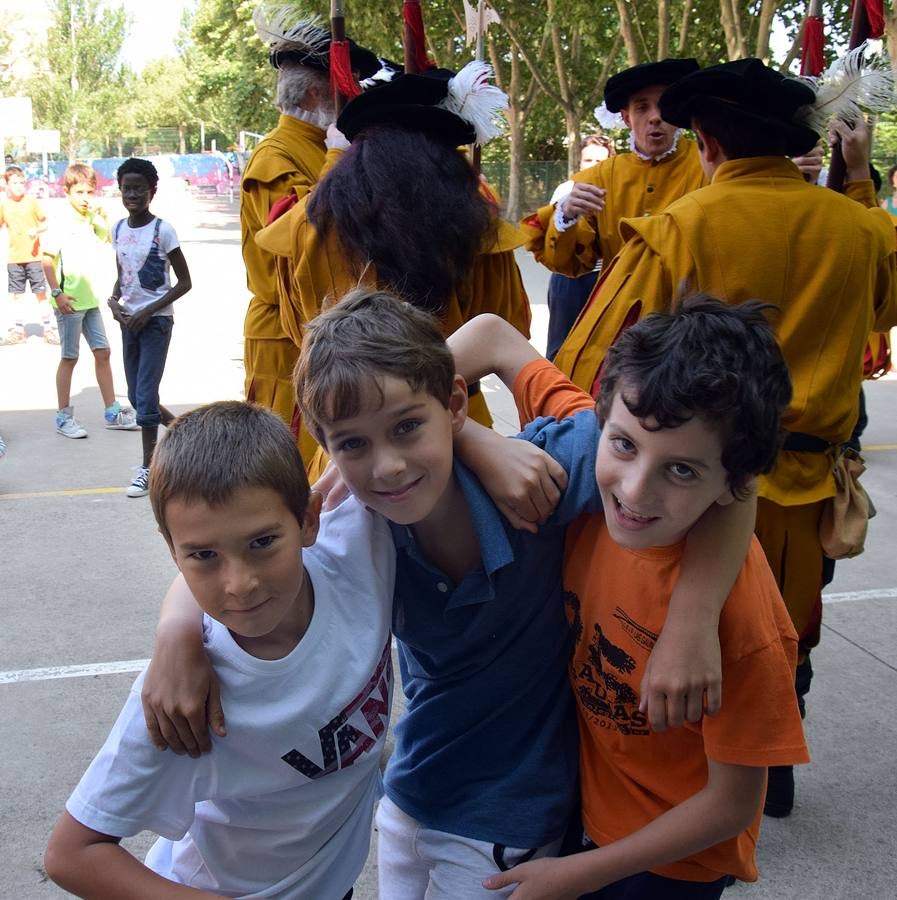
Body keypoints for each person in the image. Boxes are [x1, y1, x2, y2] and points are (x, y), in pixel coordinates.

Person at [141, 289, 753, 899]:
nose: (386, 467)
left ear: (455, 403)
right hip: (410, 792)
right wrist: (176, 634)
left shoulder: (544, 475)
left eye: (409, 427)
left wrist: (690, 622)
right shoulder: (360, 526)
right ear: (326, 446)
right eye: (352, 443)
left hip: (509, 814)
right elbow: (233, 547)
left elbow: (736, 470)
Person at [552, 58, 897, 816]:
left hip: (699, 490)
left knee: (680, 631)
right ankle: (773, 770)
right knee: (790, 629)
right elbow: (883, 312)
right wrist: (859, 181)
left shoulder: (680, 227)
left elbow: (587, 362)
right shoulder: (862, 228)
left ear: (704, 142)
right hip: (809, 485)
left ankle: (692, 781)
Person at [449, 299, 809, 899]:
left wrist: (577, 873)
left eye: (683, 472)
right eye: (623, 446)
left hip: (666, 869)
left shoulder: (742, 625)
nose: (635, 490)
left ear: (735, 484)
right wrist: (460, 433)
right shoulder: (599, 449)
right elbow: (489, 336)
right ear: (601, 419)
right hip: (579, 809)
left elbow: (731, 805)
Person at [44, 401, 395, 899]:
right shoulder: (182, 700)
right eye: (204, 556)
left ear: (310, 519)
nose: (241, 585)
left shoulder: (357, 548)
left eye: (262, 542)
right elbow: (70, 854)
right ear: (173, 554)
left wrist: (488, 446)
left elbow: (436, 371)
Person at [254, 63, 533, 478]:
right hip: (456, 423)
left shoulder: (305, 223)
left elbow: (298, 328)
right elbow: (510, 325)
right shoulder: (475, 221)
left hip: (349, 436)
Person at [241, 4, 385, 466]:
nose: (357, 97)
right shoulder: (276, 158)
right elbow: (294, 245)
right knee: (288, 468)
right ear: (324, 93)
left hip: (326, 331)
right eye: (351, 88)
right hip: (287, 337)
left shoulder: (321, 146)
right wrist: (337, 162)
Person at [522, 58, 705, 280]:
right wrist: (567, 215)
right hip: (622, 310)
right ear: (627, 118)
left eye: (665, 105)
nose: (655, 117)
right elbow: (565, 264)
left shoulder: (709, 162)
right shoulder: (598, 177)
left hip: (693, 309)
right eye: (642, 108)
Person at [108, 157, 192, 498]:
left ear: (152, 191)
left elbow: (185, 282)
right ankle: (187, 437)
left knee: (144, 400)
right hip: (129, 320)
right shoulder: (118, 229)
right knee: (138, 396)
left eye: (139, 189)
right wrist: (115, 302)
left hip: (156, 322)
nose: (132, 194)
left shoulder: (163, 230)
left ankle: (148, 468)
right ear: (119, 190)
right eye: (127, 188)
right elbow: (123, 275)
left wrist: (150, 310)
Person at [40, 163, 138, 439]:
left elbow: (107, 238)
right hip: (69, 303)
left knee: (103, 353)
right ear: (67, 191)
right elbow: (46, 260)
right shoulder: (60, 222)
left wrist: (101, 216)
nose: (86, 197)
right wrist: (57, 293)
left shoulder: (89, 218)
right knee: (70, 358)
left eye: (90, 191)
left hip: (91, 300)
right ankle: (63, 417)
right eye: (79, 191)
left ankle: (112, 411)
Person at [545, 135, 615, 360]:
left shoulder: (617, 188)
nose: (594, 166)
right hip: (568, 281)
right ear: (579, 163)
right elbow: (551, 236)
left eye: (600, 161)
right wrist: (567, 211)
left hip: (604, 278)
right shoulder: (565, 190)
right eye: (588, 160)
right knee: (561, 344)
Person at [0, 165, 56, 345]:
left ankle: (48, 329)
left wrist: (36, 230)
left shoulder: (31, 202)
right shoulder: (4, 205)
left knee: (40, 294)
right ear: (7, 184)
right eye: (14, 182)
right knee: (17, 295)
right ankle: (18, 331)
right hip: (15, 259)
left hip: (35, 257)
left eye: (21, 182)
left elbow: (46, 223)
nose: (18, 186)